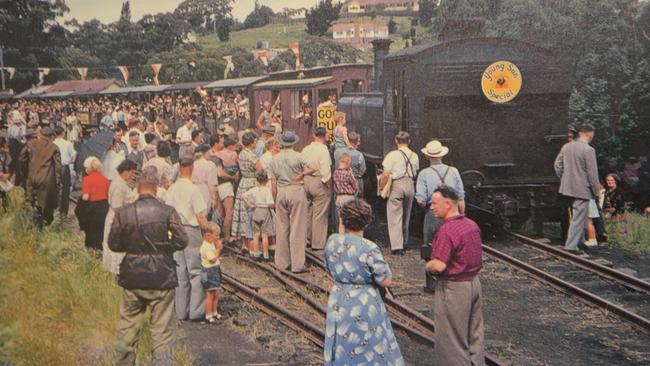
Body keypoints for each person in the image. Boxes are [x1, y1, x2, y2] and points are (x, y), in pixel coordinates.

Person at [108, 166, 188, 366]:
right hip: (162, 276)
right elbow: (182, 240)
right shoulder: (168, 211)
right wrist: (165, 249)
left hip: (133, 276)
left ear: (137, 187)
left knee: (127, 329)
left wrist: (133, 248)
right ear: (156, 186)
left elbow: (113, 244)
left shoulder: (124, 212)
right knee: (162, 333)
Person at [323, 199, 403, 366]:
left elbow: (328, 268)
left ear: (343, 220)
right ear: (367, 222)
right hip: (365, 300)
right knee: (368, 343)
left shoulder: (332, 241)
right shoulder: (369, 247)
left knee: (341, 341)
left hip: (339, 297)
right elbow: (385, 280)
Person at [425, 186, 485, 366]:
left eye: (435, 203)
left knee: (452, 340)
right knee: (474, 333)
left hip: (454, 287)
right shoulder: (471, 225)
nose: (431, 207)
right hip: (474, 284)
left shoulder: (447, 230)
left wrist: (428, 265)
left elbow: (439, 265)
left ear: (448, 204)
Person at [416, 140, 465, 292]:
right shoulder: (454, 171)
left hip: (434, 213)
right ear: (442, 155)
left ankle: (431, 284)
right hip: (453, 212)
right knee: (455, 245)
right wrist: (462, 214)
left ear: (427, 157)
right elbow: (461, 196)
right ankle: (452, 279)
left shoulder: (424, 174)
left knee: (430, 246)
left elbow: (420, 199)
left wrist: (426, 206)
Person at [165, 155, 208, 321]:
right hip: (191, 230)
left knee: (180, 272)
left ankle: (181, 311)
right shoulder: (193, 189)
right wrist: (209, 233)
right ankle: (196, 311)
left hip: (175, 230)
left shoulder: (173, 189)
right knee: (195, 272)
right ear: (191, 168)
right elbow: (200, 216)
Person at [267, 131, 313, 273]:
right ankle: (297, 264)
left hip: (281, 191)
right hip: (296, 191)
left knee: (282, 228)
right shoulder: (299, 156)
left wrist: (274, 200)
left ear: (282, 143)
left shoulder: (274, 159)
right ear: (293, 143)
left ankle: (281, 262)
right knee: (297, 228)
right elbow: (315, 167)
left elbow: (273, 184)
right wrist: (302, 174)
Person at [554, 123, 601, 253]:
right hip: (582, 189)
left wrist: (564, 179)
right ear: (589, 134)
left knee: (578, 216)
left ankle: (580, 242)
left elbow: (557, 165)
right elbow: (592, 175)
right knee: (578, 217)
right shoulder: (589, 150)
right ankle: (571, 246)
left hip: (567, 188)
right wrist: (597, 192)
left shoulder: (566, 147)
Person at [379, 131, 419, 255]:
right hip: (410, 184)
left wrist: (382, 187)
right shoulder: (414, 155)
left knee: (394, 215)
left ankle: (397, 246)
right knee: (406, 215)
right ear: (409, 141)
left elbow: (385, 174)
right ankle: (405, 241)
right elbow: (416, 171)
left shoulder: (392, 155)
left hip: (397, 184)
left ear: (396, 141)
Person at [19, 127, 62, 227]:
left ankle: (31, 227)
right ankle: (44, 228)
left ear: (40, 134)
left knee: (31, 204)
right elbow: (58, 167)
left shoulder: (31, 143)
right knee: (46, 206)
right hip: (46, 180)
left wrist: (25, 174)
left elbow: (22, 159)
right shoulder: (54, 147)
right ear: (51, 137)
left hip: (31, 178)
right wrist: (58, 182)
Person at [102, 159, 137, 274]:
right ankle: (116, 270)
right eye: (131, 172)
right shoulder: (118, 185)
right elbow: (117, 207)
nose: (132, 175)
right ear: (125, 171)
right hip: (117, 219)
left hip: (120, 217)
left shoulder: (121, 182)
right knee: (116, 245)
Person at [301, 127, 332, 250]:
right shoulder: (324, 150)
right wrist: (327, 183)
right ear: (325, 136)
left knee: (308, 212)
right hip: (319, 181)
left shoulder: (306, 149)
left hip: (306, 180)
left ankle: (307, 239)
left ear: (314, 135)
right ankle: (318, 243)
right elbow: (325, 169)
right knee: (320, 213)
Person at [232, 132, 260, 249]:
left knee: (242, 212)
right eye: (255, 141)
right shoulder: (252, 156)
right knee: (251, 212)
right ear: (252, 143)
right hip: (252, 183)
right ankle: (252, 243)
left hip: (243, 183)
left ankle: (244, 243)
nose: (256, 143)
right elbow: (260, 170)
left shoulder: (241, 154)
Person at [211, 135, 239, 244]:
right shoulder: (222, 156)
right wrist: (233, 177)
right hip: (226, 185)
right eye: (221, 143)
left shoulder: (214, 155)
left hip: (221, 185)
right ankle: (227, 236)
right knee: (229, 211)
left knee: (222, 213)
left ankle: (222, 235)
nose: (223, 145)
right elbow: (220, 173)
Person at [242, 171, 275, 261]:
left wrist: (249, 204)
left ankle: (256, 254)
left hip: (255, 211)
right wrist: (274, 206)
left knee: (256, 234)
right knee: (265, 235)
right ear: (266, 180)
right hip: (264, 212)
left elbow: (243, 196)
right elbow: (270, 204)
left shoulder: (254, 189)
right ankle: (266, 255)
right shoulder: (267, 190)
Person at [79, 157, 110, 250]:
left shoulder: (87, 179)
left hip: (93, 208)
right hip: (104, 207)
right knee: (101, 231)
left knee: (91, 232)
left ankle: (92, 250)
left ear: (90, 168)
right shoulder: (105, 179)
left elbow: (86, 197)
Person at [200, 222, 224, 323]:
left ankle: (214, 311)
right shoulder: (206, 247)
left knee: (216, 292)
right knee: (210, 294)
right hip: (210, 271)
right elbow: (213, 259)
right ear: (208, 235)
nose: (217, 238)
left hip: (215, 269)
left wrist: (216, 245)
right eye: (216, 236)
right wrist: (218, 249)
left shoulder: (210, 244)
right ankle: (208, 314)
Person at [191, 144, 220, 224]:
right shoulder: (210, 165)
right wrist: (214, 198)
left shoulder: (192, 164)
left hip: (193, 189)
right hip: (205, 190)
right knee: (204, 216)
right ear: (205, 153)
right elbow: (212, 184)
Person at [53, 126, 76, 218]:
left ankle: (55, 210)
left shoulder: (52, 143)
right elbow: (74, 155)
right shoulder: (68, 143)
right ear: (63, 133)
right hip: (64, 167)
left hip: (54, 167)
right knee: (65, 190)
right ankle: (64, 213)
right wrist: (71, 160)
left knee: (55, 189)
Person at [333, 131, 366, 197]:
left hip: (339, 179)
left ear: (346, 140)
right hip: (354, 179)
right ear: (356, 142)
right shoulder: (359, 155)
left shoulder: (337, 152)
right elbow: (362, 170)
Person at [332, 153, 358, 219]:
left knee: (341, 221)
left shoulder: (335, 173)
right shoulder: (348, 173)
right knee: (350, 220)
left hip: (339, 198)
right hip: (348, 198)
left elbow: (335, 185)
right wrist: (352, 174)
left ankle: (340, 229)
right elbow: (355, 186)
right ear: (348, 163)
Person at [0, 137, 14, 209]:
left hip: (5, 180)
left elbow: (12, 166)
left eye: (3, 146)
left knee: (6, 198)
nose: (2, 148)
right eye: (1, 146)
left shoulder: (6, 155)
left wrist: (8, 175)